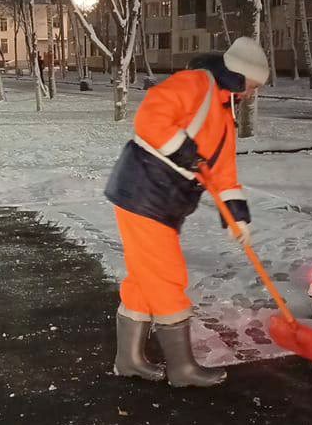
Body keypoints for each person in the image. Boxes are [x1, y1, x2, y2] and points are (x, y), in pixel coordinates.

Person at [104, 37, 269, 387]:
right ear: (240, 75)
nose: (253, 94)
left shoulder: (224, 113)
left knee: (144, 278)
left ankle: (129, 359)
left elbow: (223, 172)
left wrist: (236, 216)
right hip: (144, 193)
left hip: (160, 202)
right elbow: (150, 117)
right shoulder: (195, 83)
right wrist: (185, 151)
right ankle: (181, 369)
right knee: (167, 276)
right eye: (254, 85)